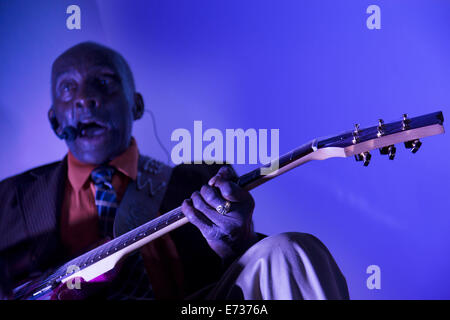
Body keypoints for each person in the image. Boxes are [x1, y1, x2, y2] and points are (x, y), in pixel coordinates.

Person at [0, 42, 349, 300]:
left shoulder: (201, 181)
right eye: (67, 88)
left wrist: (233, 241)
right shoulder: (8, 198)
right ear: (54, 120)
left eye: (103, 83)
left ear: (135, 105)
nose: (85, 99)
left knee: (291, 251)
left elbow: (252, 279)